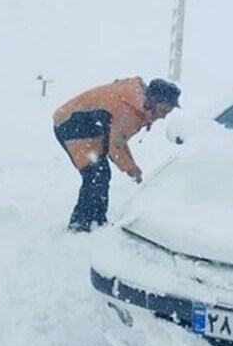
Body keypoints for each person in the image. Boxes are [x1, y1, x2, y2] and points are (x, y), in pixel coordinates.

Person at [53, 76, 181, 232]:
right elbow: (116, 147)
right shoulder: (129, 111)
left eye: (168, 112)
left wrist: (132, 166)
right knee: (95, 175)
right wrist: (132, 170)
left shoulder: (137, 102)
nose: (163, 116)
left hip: (89, 126)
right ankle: (81, 224)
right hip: (71, 124)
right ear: (154, 99)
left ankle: (96, 221)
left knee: (100, 174)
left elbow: (118, 141)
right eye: (163, 110)